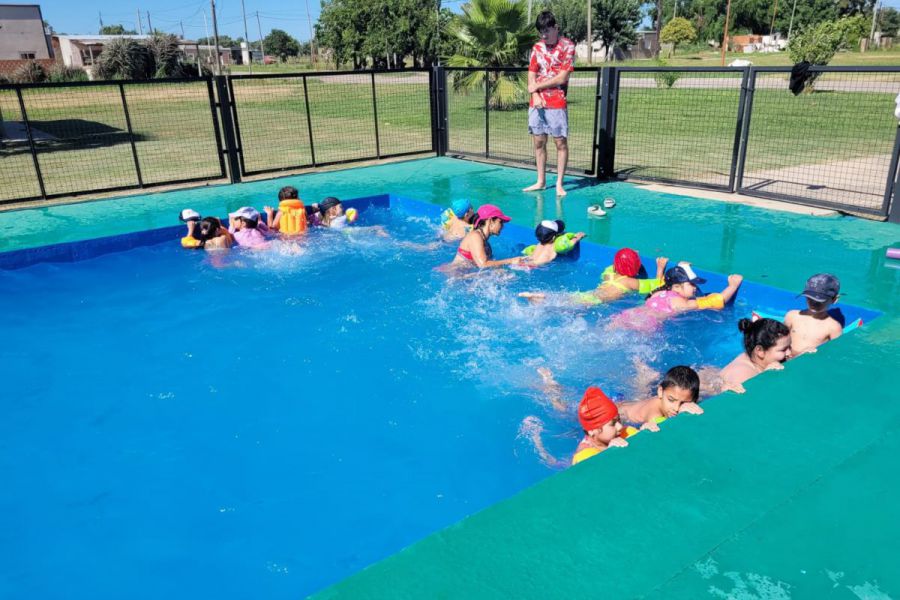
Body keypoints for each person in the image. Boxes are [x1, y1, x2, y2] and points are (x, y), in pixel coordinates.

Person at [523, 10, 576, 198]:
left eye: (547, 30)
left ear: (556, 28)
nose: (544, 35)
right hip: (536, 102)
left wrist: (536, 86)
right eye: (541, 32)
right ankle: (540, 181)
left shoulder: (568, 46)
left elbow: (562, 77)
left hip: (557, 100)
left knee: (560, 142)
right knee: (538, 141)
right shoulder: (537, 48)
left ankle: (560, 184)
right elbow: (531, 73)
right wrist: (535, 93)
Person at [611, 262, 743, 331]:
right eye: (691, 284)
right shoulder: (680, 302)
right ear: (677, 287)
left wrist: (678, 266)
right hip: (646, 325)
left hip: (628, 315)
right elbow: (714, 301)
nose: (695, 288)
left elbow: (662, 281)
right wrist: (733, 286)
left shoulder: (659, 292)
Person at [519, 249, 667, 305]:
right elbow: (657, 285)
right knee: (564, 305)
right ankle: (541, 300)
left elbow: (614, 265)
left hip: (590, 295)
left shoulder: (609, 274)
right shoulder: (630, 282)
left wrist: (629, 256)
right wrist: (660, 268)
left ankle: (541, 297)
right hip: (596, 300)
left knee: (565, 299)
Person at [618, 365, 703, 433]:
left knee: (642, 394)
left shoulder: (670, 397)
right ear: (660, 392)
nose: (676, 408)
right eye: (671, 400)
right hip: (622, 413)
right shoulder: (654, 415)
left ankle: (645, 375)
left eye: (683, 403)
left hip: (639, 404)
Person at [719, 318, 792, 391]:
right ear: (760, 351)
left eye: (789, 347)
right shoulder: (743, 375)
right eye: (783, 350)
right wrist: (766, 377)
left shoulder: (754, 356)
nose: (789, 353)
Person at [784, 273, 842, 356]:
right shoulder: (792, 316)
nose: (814, 303)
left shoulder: (833, 327)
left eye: (820, 301)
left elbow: (835, 354)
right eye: (810, 298)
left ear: (834, 299)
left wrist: (819, 353)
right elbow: (779, 338)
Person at [451, 204, 523, 269]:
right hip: (454, 276)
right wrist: (511, 261)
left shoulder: (486, 244)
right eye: (500, 222)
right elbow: (483, 264)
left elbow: (491, 264)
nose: (502, 226)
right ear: (491, 221)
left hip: (463, 277)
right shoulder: (474, 236)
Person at [571, 386, 628, 465]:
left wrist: (646, 428)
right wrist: (609, 451)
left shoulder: (614, 432)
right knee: (568, 414)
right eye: (613, 424)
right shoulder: (584, 451)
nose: (620, 426)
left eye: (619, 420)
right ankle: (555, 394)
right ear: (592, 431)